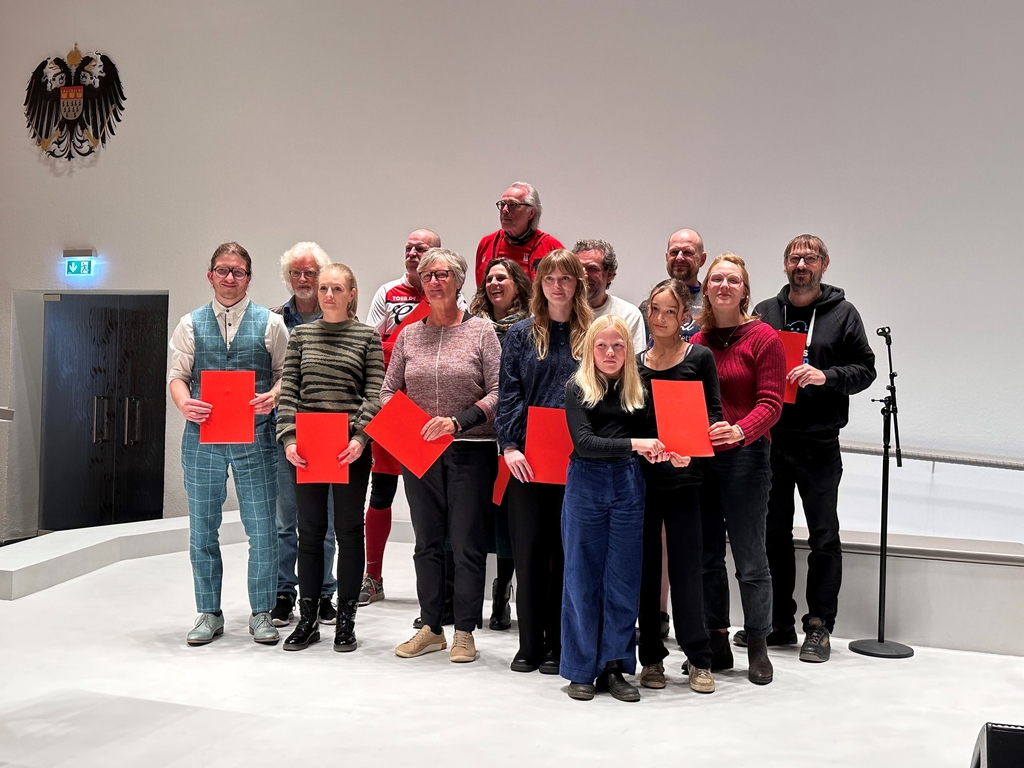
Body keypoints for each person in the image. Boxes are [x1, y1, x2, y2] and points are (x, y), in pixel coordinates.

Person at [749, 234, 876, 662]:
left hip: (820, 442)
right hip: (771, 440)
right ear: (785, 265)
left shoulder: (843, 314)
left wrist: (827, 376)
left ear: (824, 264)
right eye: (794, 258)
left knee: (824, 535)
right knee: (772, 534)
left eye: (809, 258)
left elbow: (866, 370)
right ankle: (778, 623)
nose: (801, 264)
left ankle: (819, 625)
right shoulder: (765, 313)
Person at [382, 248, 501, 664]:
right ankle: (431, 626)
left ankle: (465, 631)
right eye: (428, 274)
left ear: (459, 281)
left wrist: (458, 421)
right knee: (426, 542)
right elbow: (386, 391)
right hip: (420, 451)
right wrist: (407, 423)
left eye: (443, 274)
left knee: (467, 543)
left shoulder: (482, 331)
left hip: (472, 449)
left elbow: (501, 392)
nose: (434, 281)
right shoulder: (409, 334)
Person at [168, 241, 289, 646]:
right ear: (210, 275)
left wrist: (272, 396)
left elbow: (285, 375)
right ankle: (209, 612)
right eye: (223, 270)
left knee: (262, 530)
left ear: (249, 278)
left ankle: (261, 613)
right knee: (202, 530)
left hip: (257, 439)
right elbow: (177, 375)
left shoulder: (271, 324)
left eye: (238, 271)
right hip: (203, 439)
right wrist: (184, 402)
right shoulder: (189, 323)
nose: (230, 277)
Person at [276, 262, 384, 652]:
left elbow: (374, 394)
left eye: (337, 288)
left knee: (350, 532)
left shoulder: (367, 337)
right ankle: (307, 619)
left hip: (350, 448)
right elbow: (288, 392)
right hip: (307, 446)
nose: (328, 295)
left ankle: (346, 620)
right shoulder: (301, 336)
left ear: (352, 292)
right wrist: (288, 438)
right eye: (324, 288)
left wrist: (359, 438)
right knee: (310, 533)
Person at [560, 315, 667, 702]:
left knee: (623, 580)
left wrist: (670, 452)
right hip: (586, 483)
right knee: (581, 578)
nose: (610, 353)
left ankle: (615, 667)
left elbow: (659, 437)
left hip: (627, 485)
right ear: (590, 349)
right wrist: (639, 445)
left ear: (629, 350)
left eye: (618, 346)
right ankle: (581, 669)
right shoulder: (576, 388)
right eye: (602, 346)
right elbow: (585, 443)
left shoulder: (638, 390)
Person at [496, 250, 592, 674]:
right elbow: (509, 392)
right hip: (528, 460)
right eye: (549, 278)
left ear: (577, 285)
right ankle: (529, 643)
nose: (557, 285)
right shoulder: (520, 334)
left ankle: (557, 643)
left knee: (566, 554)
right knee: (529, 553)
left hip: (578, 460)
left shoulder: (592, 333)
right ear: (539, 284)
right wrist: (510, 446)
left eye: (565, 278)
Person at [692, 253, 785, 685]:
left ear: (745, 290)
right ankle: (716, 641)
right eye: (717, 280)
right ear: (706, 288)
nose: (725, 286)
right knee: (708, 558)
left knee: (750, 558)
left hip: (746, 459)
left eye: (733, 280)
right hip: (702, 460)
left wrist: (740, 432)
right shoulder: (697, 341)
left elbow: (771, 403)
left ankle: (760, 646)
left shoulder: (764, 337)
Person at [362, 229, 466, 612]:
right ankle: (373, 576)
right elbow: (370, 344)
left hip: (438, 415)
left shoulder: (453, 297)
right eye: (408, 247)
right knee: (382, 492)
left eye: (421, 248)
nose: (413, 253)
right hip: (397, 413)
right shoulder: (386, 294)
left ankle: (447, 591)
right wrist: (399, 342)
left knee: (442, 503)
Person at [636, 279, 721, 694]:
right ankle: (650, 658)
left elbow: (714, 416)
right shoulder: (634, 363)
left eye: (671, 311)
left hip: (686, 480)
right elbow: (626, 424)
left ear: (685, 317)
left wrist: (693, 448)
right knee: (647, 573)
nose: (662, 318)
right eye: (656, 309)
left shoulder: (699, 358)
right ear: (647, 312)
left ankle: (699, 658)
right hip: (641, 483)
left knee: (688, 572)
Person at [269, 242, 338, 628]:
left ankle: (325, 592)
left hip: (329, 433)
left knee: (324, 521)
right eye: (296, 273)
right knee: (286, 520)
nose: (303, 280)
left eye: (310, 273)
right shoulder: (274, 320)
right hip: (287, 433)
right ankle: (284, 593)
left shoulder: (339, 319)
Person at [470, 257, 532, 631]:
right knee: (483, 520)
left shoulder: (527, 327)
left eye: (502, 278)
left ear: (518, 284)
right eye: (490, 278)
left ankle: (503, 590)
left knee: (511, 521)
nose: (495, 284)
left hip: (513, 435)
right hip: (476, 433)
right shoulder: (473, 325)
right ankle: (476, 595)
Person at [475, 182, 563, 285]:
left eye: (513, 205)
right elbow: (481, 293)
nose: (505, 210)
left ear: (531, 213)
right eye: (502, 204)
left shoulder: (552, 247)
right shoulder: (487, 244)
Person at [572, 239, 646, 351]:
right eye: (578, 268)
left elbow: (634, 364)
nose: (584, 275)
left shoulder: (628, 315)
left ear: (610, 275)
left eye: (592, 269)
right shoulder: (560, 312)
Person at [639, 229, 708, 343]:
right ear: (667, 257)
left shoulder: (712, 306)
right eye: (674, 252)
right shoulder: (648, 306)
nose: (679, 258)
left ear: (702, 259)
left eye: (687, 252)